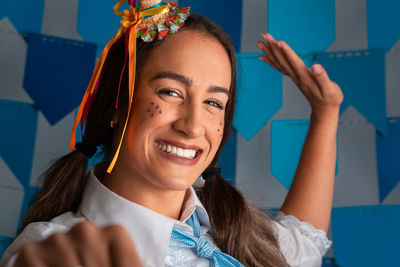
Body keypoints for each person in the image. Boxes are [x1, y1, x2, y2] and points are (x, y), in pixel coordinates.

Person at [0, 0, 343, 266]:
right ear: (118, 105)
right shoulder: (51, 249)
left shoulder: (231, 230)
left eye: (213, 102)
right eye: (171, 93)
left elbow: (302, 246)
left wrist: (325, 115)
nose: (193, 126)